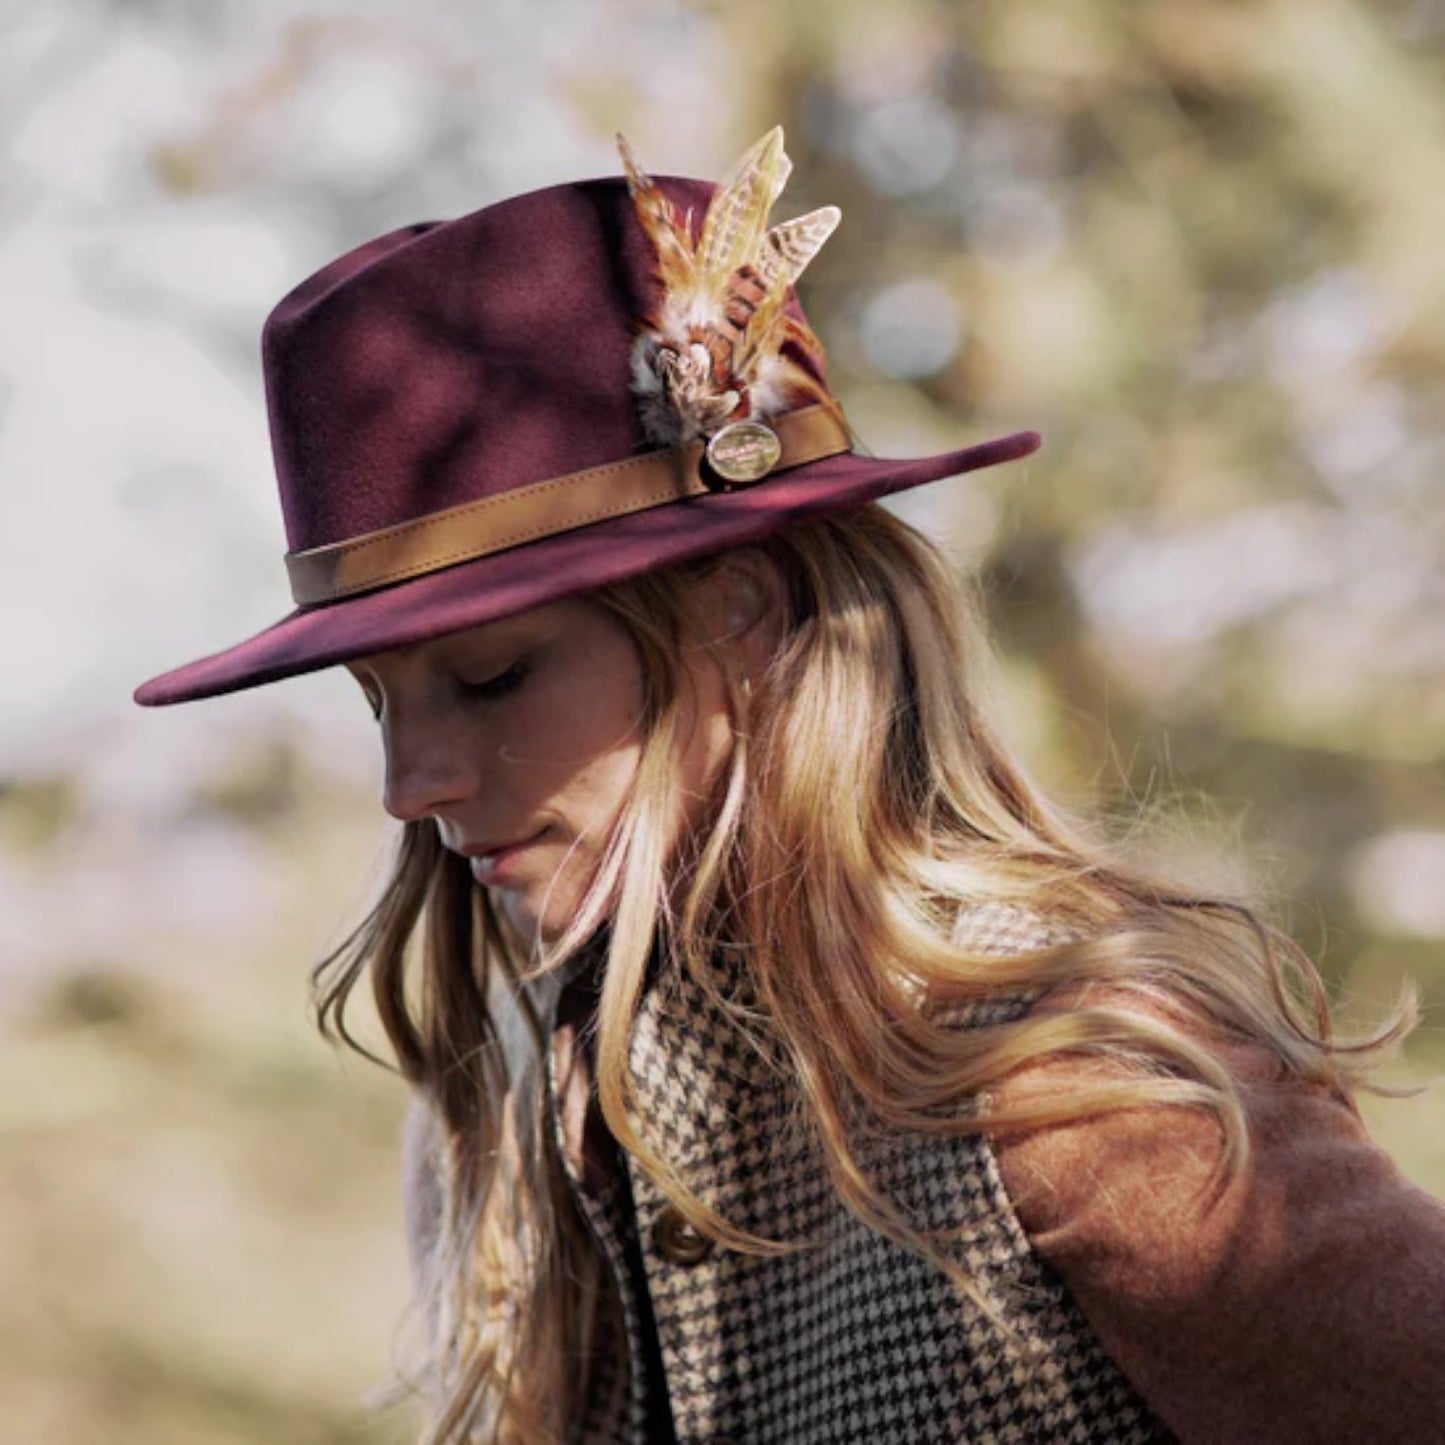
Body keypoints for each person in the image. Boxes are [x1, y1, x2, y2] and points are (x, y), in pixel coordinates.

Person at [136, 129, 1445, 1444]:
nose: (407, 785)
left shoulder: (1073, 1078)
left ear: (741, 613)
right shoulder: (507, 1135)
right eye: (376, 700)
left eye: (491, 677)